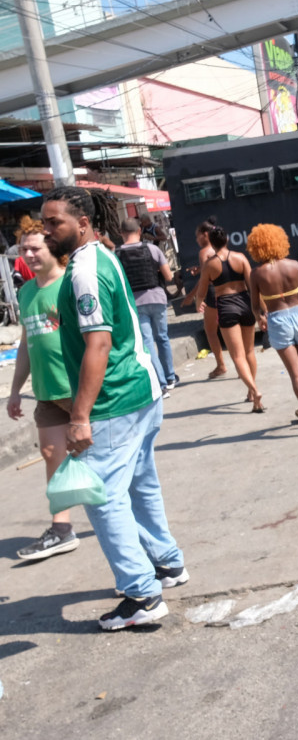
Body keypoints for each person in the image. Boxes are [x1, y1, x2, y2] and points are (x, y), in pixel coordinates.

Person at [39, 185, 187, 631]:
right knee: (140, 486)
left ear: (81, 223)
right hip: (140, 392)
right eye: (44, 223)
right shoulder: (101, 256)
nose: (47, 231)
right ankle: (167, 563)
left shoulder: (86, 270)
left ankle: (142, 593)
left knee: (102, 499)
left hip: (113, 403)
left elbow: (98, 344)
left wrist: (80, 415)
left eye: (54, 223)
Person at [6, 216, 79, 561]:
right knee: (53, 456)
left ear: (54, 249)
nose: (29, 254)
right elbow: (26, 343)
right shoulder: (26, 290)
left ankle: (126, 518)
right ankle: (62, 529)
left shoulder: (70, 284)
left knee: (100, 459)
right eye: (24, 249)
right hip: (47, 391)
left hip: (78, 389)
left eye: (35, 248)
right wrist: (16, 389)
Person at [247, 224, 298, 435]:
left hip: (278, 320)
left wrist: (260, 318)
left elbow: (255, 305)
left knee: (296, 375)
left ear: (257, 247)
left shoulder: (256, 274)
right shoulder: (294, 265)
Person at [192, 219, 264, 412]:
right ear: (227, 239)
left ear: (212, 243)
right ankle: (251, 391)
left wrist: (199, 303)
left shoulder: (209, 264)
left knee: (237, 355)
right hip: (245, 303)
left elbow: (202, 291)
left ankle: (254, 390)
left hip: (226, 306)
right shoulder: (241, 258)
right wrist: (261, 313)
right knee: (249, 352)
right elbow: (253, 287)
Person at [115, 218, 178, 397]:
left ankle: (161, 383)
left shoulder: (116, 255)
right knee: (163, 338)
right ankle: (171, 377)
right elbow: (168, 277)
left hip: (134, 303)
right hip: (157, 298)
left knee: (147, 343)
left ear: (121, 233)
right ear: (140, 231)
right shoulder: (153, 249)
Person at [181, 217, 227, 380]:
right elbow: (212, 268)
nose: (196, 239)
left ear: (205, 234)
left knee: (211, 331)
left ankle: (221, 365)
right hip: (226, 291)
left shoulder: (203, 252)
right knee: (228, 330)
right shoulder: (220, 248)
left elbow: (204, 280)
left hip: (212, 294)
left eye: (197, 236)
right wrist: (200, 269)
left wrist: (191, 296)